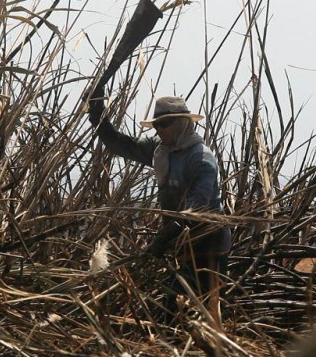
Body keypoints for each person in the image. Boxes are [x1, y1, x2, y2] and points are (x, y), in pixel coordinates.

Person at [86, 87, 232, 324]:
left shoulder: (201, 159)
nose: (159, 130)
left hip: (208, 246)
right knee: (174, 311)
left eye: (165, 124)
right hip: (182, 244)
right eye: (157, 125)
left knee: (193, 314)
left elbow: (198, 207)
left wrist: (165, 236)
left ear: (183, 123)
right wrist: (98, 116)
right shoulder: (161, 151)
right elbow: (121, 144)